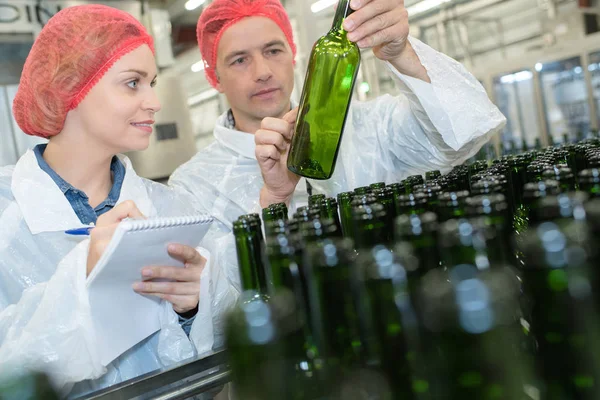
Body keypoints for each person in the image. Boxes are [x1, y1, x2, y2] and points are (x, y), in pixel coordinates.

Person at [0, 5, 236, 398]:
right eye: (133, 83)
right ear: (71, 86)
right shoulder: (6, 216)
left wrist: (195, 305)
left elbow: (224, 353)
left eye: (153, 82)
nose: (154, 102)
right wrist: (82, 274)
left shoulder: (170, 209)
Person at [169, 0, 506, 226]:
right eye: (239, 59)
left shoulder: (367, 127)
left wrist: (401, 53)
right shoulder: (195, 185)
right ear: (214, 77)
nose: (262, 72)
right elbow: (220, 302)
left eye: (273, 50)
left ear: (293, 54)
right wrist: (273, 200)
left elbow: (465, 133)